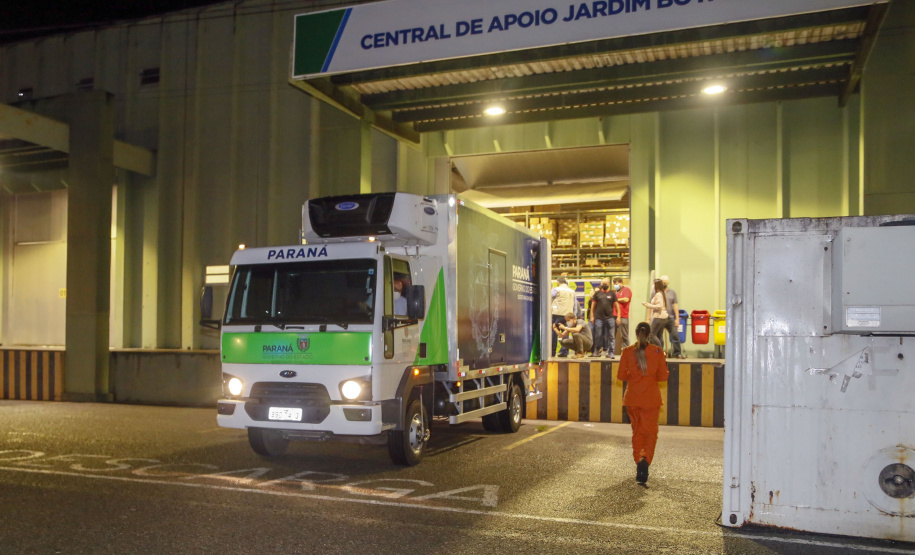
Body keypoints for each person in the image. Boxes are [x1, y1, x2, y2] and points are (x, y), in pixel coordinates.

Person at [617, 322, 669, 484]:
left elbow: (621, 376)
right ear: (650, 334)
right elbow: (663, 377)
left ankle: (639, 460)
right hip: (651, 400)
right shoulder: (657, 352)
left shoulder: (626, 352)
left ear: (636, 332)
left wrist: (632, 373)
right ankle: (645, 459)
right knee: (650, 433)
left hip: (632, 399)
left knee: (637, 432)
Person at [589, 278, 619, 358]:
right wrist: (592, 316)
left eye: (606, 283)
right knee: (598, 335)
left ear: (609, 284)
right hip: (599, 318)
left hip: (610, 318)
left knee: (611, 336)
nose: (604, 285)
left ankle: (611, 352)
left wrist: (618, 317)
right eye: (603, 283)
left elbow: (617, 306)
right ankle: (596, 351)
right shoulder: (597, 293)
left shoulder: (612, 293)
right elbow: (593, 306)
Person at [660, 275, 684, 358]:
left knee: (675, 335)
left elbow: (675, 306)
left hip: (670, 317)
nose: (664, 284)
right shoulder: (655, 292)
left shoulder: (672, 292)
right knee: (658, 336)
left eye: (665, 282)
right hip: (659, 317)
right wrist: (648, 318)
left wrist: (677, 319)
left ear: (668, 283)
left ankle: (677, 353)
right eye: (662, 282)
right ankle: (659, 353)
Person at [551, 277, 576, 357]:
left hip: (557, 314)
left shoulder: (556, 289)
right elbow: (574, 304)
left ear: (558, 282)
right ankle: (564, 352)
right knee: (566, 333)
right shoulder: (572, 291)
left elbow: (548, 298)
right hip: (568, 315)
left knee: (554, 333)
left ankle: (552, 352)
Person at [642, 279, 669, 348]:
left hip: (659, 317)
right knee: (659, 335)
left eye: (654, 284)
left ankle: (659, 350)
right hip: (663, 317)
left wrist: (648, 305)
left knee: (651, 334)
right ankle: (661, 351)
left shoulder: (658, 294)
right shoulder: (662, 293)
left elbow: (659, 306)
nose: (653, 286)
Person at [613, 277, 632, 348]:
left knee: (624, 335)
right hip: (614, 316)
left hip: (623, 316)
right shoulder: (615, 292)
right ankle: (610, 351)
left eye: (617, 284)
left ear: (621, 283)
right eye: (614, 284)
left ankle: (627, 350)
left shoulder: (626, 290)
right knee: (612, 335)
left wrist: (616, 299)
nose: (616, 286)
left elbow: (626, 299)